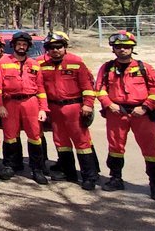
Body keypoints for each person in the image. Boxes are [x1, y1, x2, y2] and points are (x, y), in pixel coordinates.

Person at [96, 30, 155, 200]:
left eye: (126, 47)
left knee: (150, 149)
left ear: (132, 48)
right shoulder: (107, 68)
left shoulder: (144, 68)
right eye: (118, 47)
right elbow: (99, 89)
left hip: (141, 113)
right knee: (115, 148)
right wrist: (108, 104)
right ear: (113, 49)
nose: (122, 50)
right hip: (116, 112)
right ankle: (116, 178)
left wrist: (146, 107)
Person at [38, 31, 99, 190]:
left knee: (82, 143)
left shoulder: (77, 63)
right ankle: (69, 173)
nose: (55, 50)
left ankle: (89, 176)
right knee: (61, 142)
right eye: (51, 48)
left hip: (75, 108)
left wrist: (88, 105)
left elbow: (87, 87)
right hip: (55, 109)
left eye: (58, 47)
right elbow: (41, 90)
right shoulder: (43, 67)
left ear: (65, 47)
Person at [0, 31, 49, 184]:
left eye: (24, 45)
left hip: (31, 102)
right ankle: (11, 165)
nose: (21, 47)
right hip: (10, 103)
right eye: (19, 44)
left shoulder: (34, 64)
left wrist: (43, 108)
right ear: (14, 46)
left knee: (35, 136)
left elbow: (41, 88)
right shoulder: (3, 62)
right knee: (10, 136)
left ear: (28, 47)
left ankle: (37, 169)